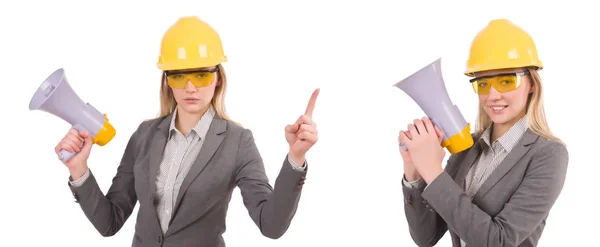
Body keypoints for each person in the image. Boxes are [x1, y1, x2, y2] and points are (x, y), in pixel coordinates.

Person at [56, 16, 319, 247]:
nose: (190, 87)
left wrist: (295, 159)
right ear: (167, 80)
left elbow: (270, 226)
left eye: (201, 75)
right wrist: (78, 170)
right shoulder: (144, 136)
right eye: (179, 76)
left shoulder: (238, 142)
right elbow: (109, 223)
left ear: (218, 79)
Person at [398, 19, 568, 247]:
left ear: (532, 84)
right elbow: (426, 237)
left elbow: (499, 241)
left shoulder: (548, 154)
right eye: (483, 84)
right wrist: (415, 171)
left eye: (507, 80)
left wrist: (433, 171)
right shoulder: (468, 147)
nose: (493, 95)